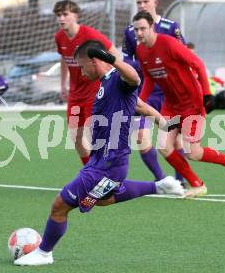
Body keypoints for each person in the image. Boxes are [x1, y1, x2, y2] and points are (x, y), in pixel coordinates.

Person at [14, 40, 185, 266]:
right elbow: (140, 106)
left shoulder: (118, 78)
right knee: (101, 201)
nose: (83, 74)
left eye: (83, 67)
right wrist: (163, 123)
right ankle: (160, 185)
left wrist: (111, 58)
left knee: (59, 206)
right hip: (102, 160)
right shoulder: (106, 83)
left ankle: (44, 253)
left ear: (96, 60)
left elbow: (135, 78)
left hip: (109, 164)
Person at [133, 11, 225, 198]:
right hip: (171, 107)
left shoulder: (169, 44)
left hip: (192, 104)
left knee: (193, 152)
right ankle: (197, 184)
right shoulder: (141, 51)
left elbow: (198, 64)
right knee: (164, 145)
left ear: (152, 27)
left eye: (143, 28)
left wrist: (207, 95)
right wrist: (140, 103)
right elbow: (149, 79)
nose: (139, 33)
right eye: (136, 30)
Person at [122, 0, 185, 183]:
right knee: (141, 138)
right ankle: (162, 181)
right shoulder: (130, 32)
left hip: (169, 93)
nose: (142, 5)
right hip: (144, 94)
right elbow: (126, 60)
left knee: (174, 138)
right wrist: (140, 66)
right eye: (139, 2)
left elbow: (184, 56)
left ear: (155, 3)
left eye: (146, 1)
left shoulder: (170, 27)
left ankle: (181, 181)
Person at [53, 0, 120, 166]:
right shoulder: (59, 37)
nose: (61, 18)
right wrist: (63, 84)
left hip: (94, 92)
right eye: (58, 15)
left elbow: (114, 54)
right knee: (75, 136)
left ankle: (105, 173)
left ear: (75, 15)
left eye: (65, 14)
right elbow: (64, 58)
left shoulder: (90, 35)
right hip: (75, 95)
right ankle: (92, 174)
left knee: (95, 136)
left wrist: (111, 80)